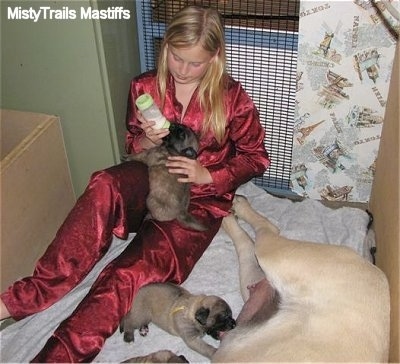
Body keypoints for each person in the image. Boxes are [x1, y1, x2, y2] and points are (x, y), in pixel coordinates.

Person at [0, 5, 270, 362]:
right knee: (105, 184)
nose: (183, 70)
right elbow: (132, 147)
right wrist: (147, 140)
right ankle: (21, 298)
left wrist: (211, 175)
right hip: (151, 176)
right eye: (176, 57)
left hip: (198, 203)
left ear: (215, 57)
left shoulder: (233, 100)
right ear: (165, 47)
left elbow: (256, 158)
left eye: (196, 63)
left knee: (126, 273)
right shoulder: (144, 86)